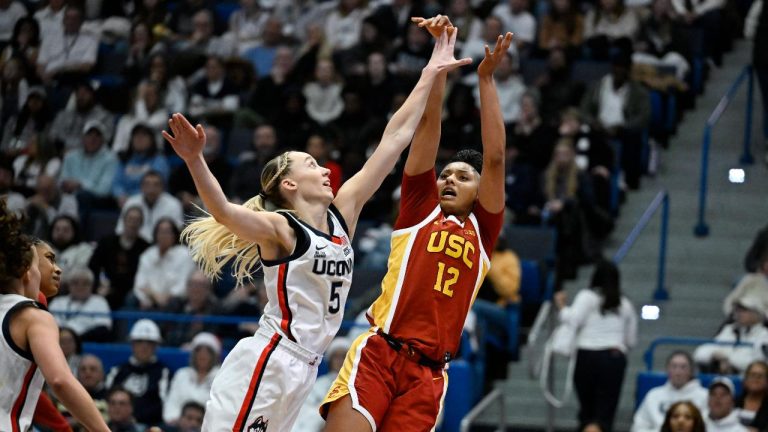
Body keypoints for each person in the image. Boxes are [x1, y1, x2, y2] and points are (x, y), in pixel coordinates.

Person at [161, 20, 472, 431]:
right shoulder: (281, 229)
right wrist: (195, 159)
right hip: (271, 358)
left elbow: (394, 139)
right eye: (311, 164)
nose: (324, 169)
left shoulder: (343, 214)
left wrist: (430, 73)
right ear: (289, 184)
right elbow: (222, 212)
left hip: (306, 369)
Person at [321, 20, 510, 431]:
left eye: (463, 177)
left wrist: (486, 80)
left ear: (480, 195)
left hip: (427, 376)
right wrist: (439, 69)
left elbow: (494, 158)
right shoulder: (420, 208)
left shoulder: (483, 231)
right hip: (379, 353)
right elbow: (427, 127)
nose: (449, 179)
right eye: (446, 173)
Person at [0, 198, 109, 432]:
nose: (58, 269)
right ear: (26, 271)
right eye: (45, 263)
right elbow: (60, 380)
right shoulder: (32, 315)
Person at [554, 260, 638, 432]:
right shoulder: (625, 305)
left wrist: (561, 306)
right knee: (604, 414)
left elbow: (572, 319)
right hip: (613, 357)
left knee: (588, 412)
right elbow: (631, 341)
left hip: (587, 357)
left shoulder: (587, 297)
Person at [106, 319, 170, 426]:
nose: (144, 346)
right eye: (139, 341)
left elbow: (164, 406)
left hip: (149, 426)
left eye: (149, 342)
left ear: (156, 346)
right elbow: (107, 398)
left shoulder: (164, 372)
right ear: (132, 344)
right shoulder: (118, 370)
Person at [632, 351, 709, 432]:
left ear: (691, 371)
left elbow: (707, 427)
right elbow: (638, 427)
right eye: (674, 366)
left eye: (683, 367)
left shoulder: (705, 396)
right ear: (667, 369)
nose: (678, 372)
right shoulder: (653, 395)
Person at [694, 296, 768, 374]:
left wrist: (727, 359)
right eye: (737, 310)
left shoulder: (764, 335)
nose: (739, 313)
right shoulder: (729, 330)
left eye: (744, 310)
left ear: (757, 313)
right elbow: (700, 353)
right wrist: (714, 355)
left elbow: (757, 363)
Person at [48, 266, 112, 341]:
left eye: (85, 283)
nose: (80, 287)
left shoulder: (100, 302)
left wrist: (76, 340)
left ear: (92, 285)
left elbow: (103, 328)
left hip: (88, 343)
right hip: (59, 341)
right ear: (69, 285)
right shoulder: (58, 302)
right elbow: (51, 325)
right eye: (75, 283)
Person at [736, 360, 768, 429]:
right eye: (752, 375)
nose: (756, 379)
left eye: (760, 376)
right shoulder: (732, 403)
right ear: (745, 379)